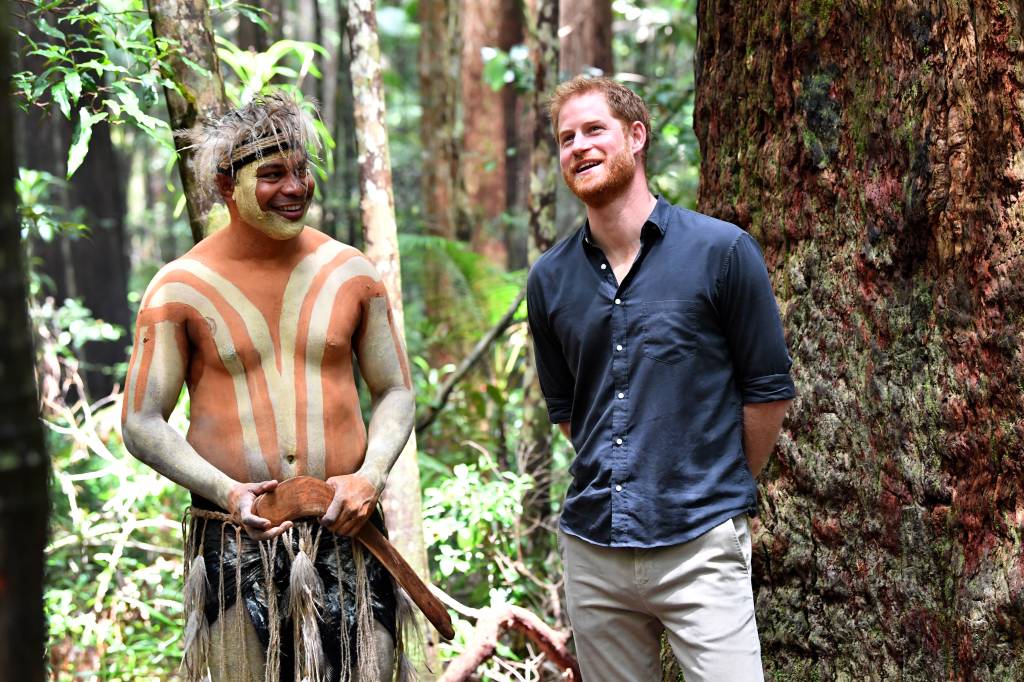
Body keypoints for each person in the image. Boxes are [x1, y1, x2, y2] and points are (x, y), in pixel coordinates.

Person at [121, 92, 415, 682]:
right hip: (235, 541)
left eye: (301, 170)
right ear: (225, 186)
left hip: (348, 531)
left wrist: (371, 475)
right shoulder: (178, 288)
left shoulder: (352, 273)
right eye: (273, 174)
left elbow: (396, 391)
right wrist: (226, 490)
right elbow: (140, 421)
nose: (295, 187)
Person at [526, 76, 795, 681]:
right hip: (594, 553)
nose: (579, 146)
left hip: (701, 545)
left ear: (636, 136)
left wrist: (711, 487)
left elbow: (767, 393)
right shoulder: (549, 279)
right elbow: (570, 411)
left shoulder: (723, 252)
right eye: (566, 138)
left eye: (594, 130)